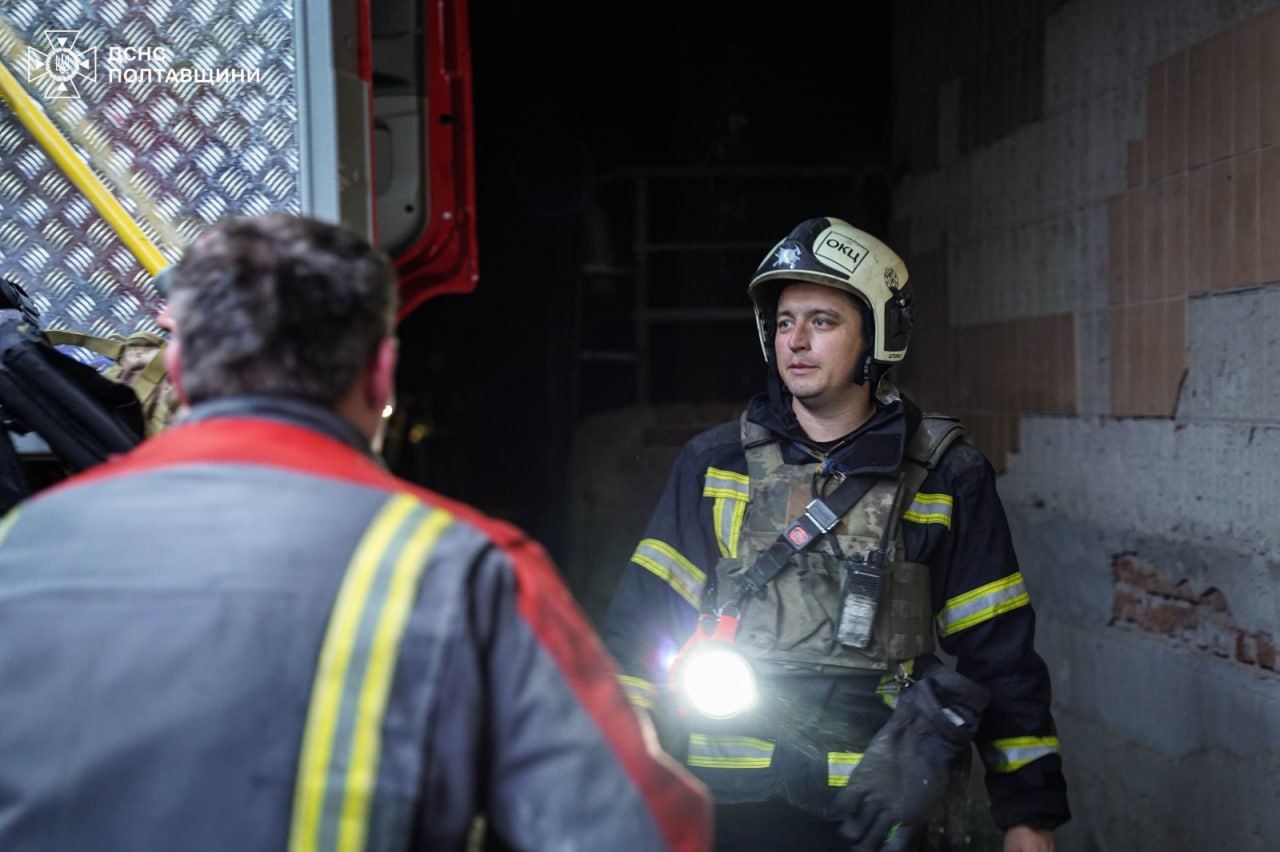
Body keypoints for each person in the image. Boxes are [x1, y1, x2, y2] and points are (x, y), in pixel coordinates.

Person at [0, 214, 711, 851]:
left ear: (180, 368)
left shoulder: (23, 545)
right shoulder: (466, 570)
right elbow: (644, 832)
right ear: (382, 375)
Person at [602, 217, 1069, 851]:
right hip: (730, 798)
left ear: (878, 336)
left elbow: (1000, 651)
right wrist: (618, 770)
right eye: (784, 322)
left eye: (822, 321)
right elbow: (641, 625)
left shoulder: (946, 475)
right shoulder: (715, 464)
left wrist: (1028, 815)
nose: (796, 341)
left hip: (879, 806)